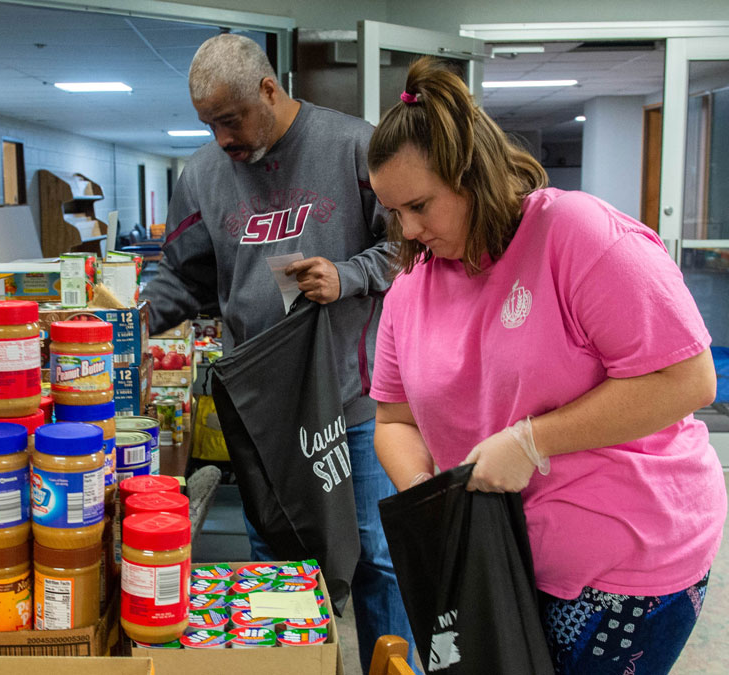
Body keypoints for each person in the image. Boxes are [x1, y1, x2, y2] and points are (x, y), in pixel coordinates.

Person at [367, 57, 726, 674]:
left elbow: (687, 379)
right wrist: (433, 500)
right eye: (395, 213)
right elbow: (393, 420)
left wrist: (532, 441)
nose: (410, 229)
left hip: (625, 564)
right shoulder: (409, 290)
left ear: (470, 173)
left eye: (421, 205)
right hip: (501, 556)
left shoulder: (575, 234)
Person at [141, 33, 416, 672]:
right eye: (208, 124)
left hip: (354, 400)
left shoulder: (354, 146)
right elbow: (185, 277)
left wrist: (348, 274)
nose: (221, 139)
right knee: (278, 554)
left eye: (230, 119)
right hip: (263, 411)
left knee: (378, 556)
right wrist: (133, 322)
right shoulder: (204, 175)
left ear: (269, 90)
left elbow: (412, 246)